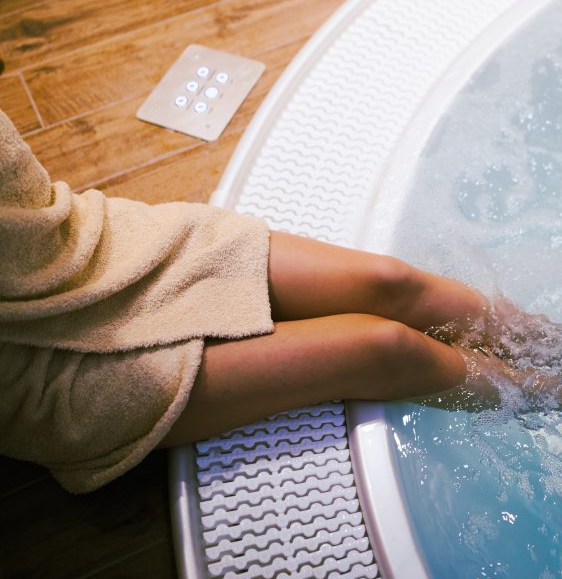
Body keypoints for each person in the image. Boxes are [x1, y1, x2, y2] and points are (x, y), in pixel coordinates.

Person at [0, 108, 524, 493]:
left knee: (393, 284)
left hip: (83, 251)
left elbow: (31, 217)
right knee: (381, 347)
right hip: (33, 374)